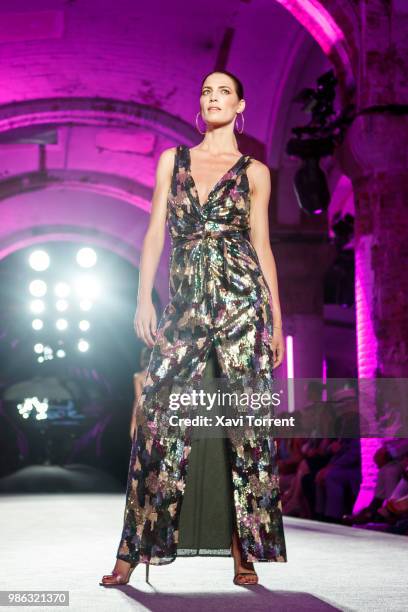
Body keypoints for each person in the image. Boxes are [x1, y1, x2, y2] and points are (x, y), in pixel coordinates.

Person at [100, 70, 288, 588]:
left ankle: (244, 549)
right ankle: (132, 550)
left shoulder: (255, 172)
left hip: (242, 306)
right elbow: (155, 230)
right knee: (158, 417)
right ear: (199, 105)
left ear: (240, 104)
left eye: (223, 91)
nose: (213, 97)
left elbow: (263, 247)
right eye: (206, 91)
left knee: (243, 428)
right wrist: (144, 298)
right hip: (184, 310)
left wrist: (277, 319)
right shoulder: (173, 161)